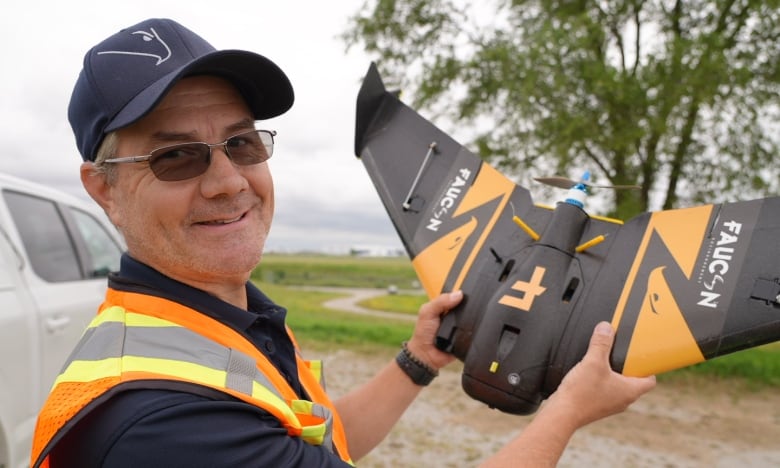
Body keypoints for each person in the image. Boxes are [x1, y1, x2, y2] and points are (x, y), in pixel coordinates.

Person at [30, 18, 656, 468]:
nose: (228, 182)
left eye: (242, 144)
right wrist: (568, 410)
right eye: (176, 157)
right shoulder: (165, 419)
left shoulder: (216, 322)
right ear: (104, 190)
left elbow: (324, 442)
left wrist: (419, 359)